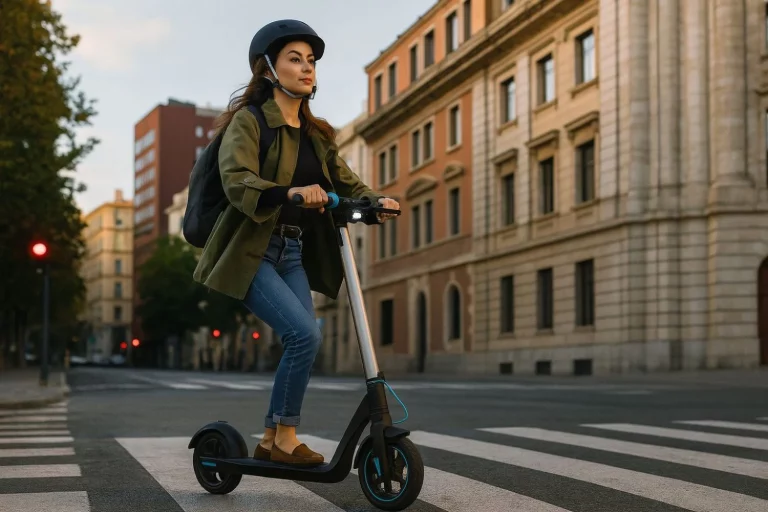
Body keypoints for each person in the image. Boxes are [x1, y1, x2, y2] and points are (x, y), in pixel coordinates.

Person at [192, 19, 399, 467]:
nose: (307, 68)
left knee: (308, 337)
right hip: (250, 252)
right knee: (303, 334)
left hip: (291, 252)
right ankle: (285, 435)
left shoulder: (317, 134)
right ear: (268, 70)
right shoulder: (248, 123)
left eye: (311, 61)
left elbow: (346, 179)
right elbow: (237, 180)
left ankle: (271, 438)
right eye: (295, 59)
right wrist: (289, 192)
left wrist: (374, 200)